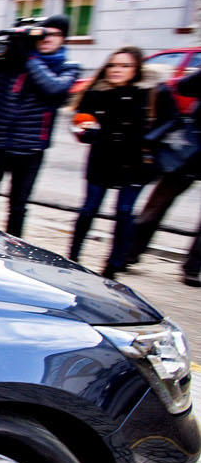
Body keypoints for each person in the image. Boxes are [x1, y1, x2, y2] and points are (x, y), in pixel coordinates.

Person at [0, 15, 82, 237]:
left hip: (30, 148)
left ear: (64, 39)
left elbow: (54, 89)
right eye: (43, 33)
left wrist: (28, 58)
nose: (47, 38)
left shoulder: (67, 67)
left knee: (17, 205)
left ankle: (14, 249)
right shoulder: (10, 63)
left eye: (55, 34)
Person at [70, 47, 177, 279]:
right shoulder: (97, 91)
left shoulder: (153, 91)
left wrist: (150, 138)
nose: (116, 70)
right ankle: (72, 258)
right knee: (89, 209)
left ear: (137, 69)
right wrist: (85, 131)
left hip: (136, 161)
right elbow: (80, 118)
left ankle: (114, 265)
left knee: (124, 212)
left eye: (125, 66)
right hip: (102, 157)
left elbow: (172, 119)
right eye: (112, 65)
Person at [129, 67, 201, 286]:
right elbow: (184, 87)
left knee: (158, 201)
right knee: (159, 201)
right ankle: (129, 253)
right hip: (192, 148)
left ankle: (193, 268)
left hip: (192, 147)